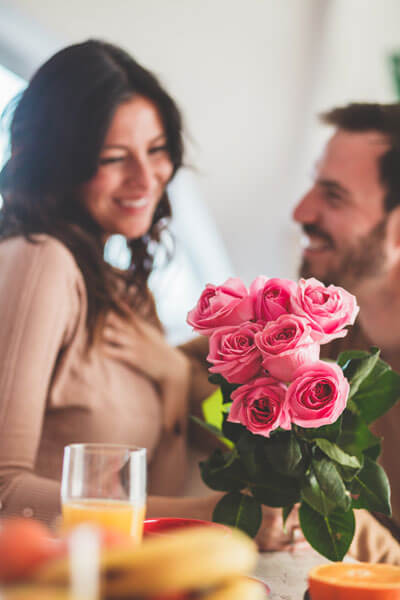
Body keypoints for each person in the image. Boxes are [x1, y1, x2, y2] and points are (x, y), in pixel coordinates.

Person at [0, 39, 301, 551]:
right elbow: (6, 492)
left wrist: (173, 370)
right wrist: (208, 518)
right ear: (57, 162)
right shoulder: (39, 261)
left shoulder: (121, 288)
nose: (145, 178)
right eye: (114, 157)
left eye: (157, 150)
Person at [293, 102, 400, 563]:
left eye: (333, 196)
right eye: (315, 184)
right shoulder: (325, 322)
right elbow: (201, 365)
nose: (302, 211)